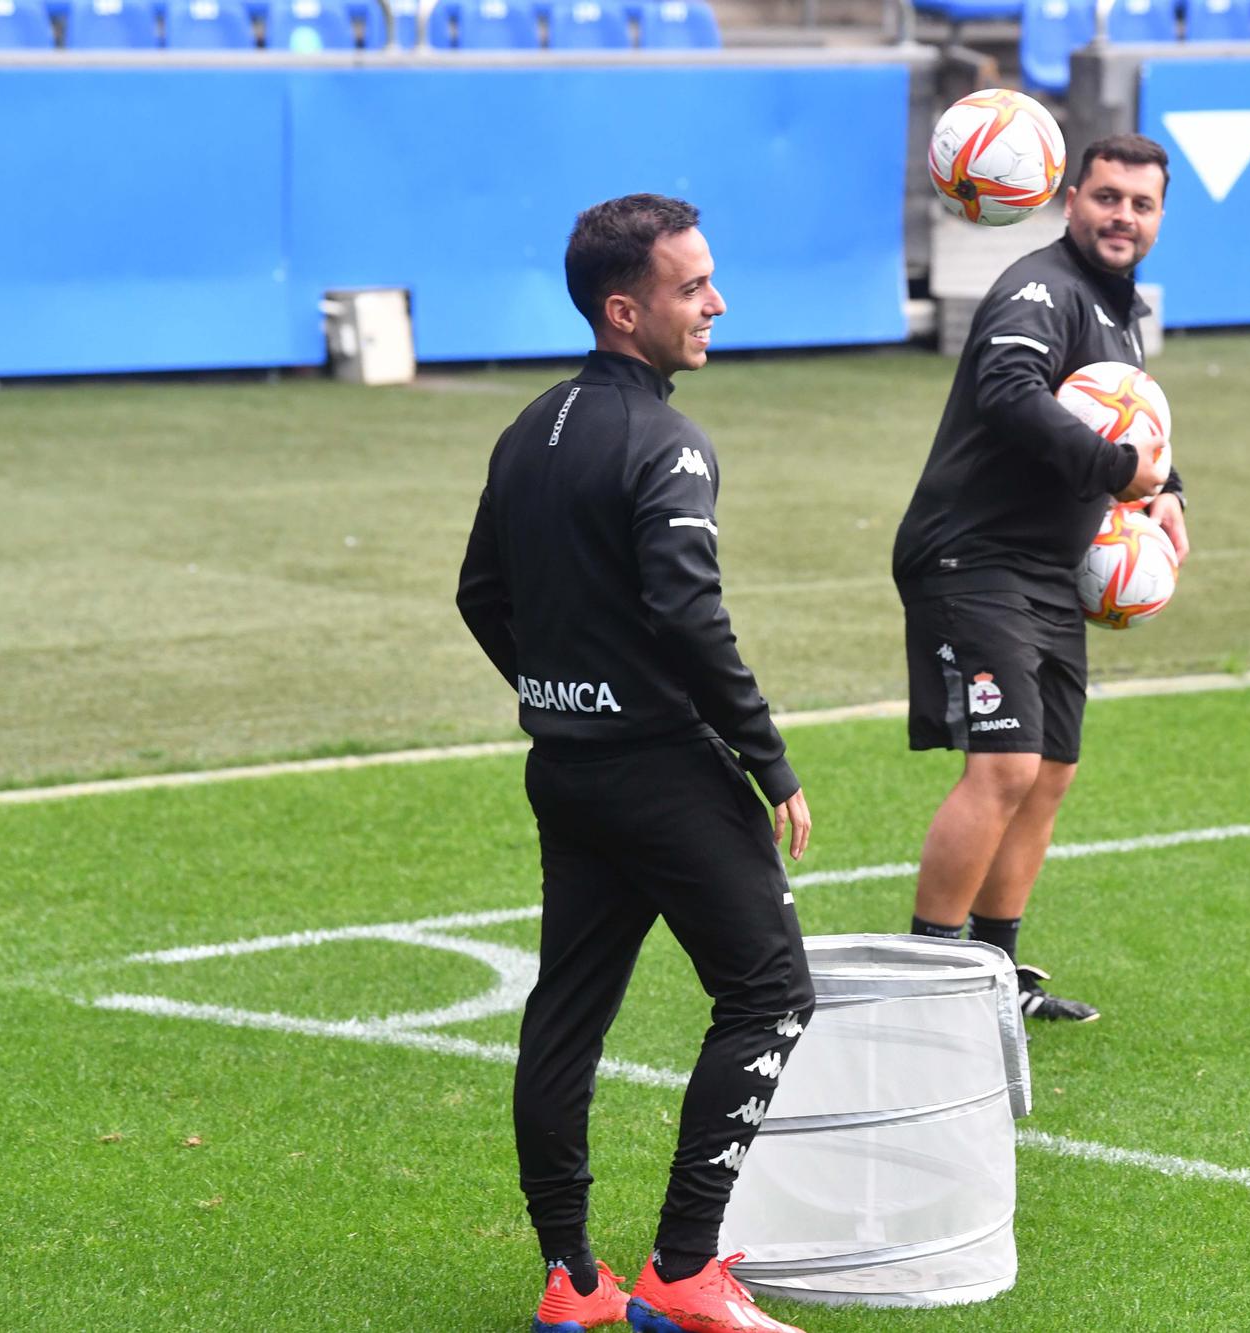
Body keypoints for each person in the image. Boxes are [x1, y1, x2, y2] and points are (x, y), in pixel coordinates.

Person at [458, 194, 812, 1333]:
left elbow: (478, 594)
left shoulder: (528, 427)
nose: (715, 303)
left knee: (566, 1013)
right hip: (662, 771)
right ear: (625, 310)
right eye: (689, 287)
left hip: (564, 766)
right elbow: (687, 614)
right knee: (768, 994)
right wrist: (768, 760)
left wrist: (558, 689)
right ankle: (682, 1268)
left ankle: (571, 1279)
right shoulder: (666, 441)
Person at [892, 133, 1189, 1024]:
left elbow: (1125, 420)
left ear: (1159, 217)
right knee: (1006, 764)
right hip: (970, 555)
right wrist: (1113, 469)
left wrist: (1164, 488)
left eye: (1141, 204)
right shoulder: (1041, 287)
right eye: (1107, 198)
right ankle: (932, 981)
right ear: (1071, 200)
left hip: (1045, 567)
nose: (1122, 217)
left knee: (1051, 768)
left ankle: (996, 975)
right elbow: (1008, 390)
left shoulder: (1115, 306)